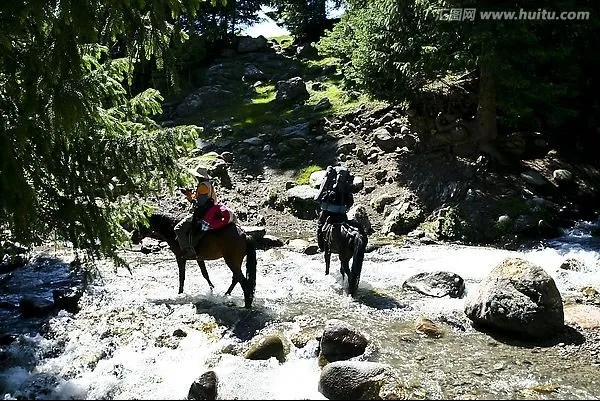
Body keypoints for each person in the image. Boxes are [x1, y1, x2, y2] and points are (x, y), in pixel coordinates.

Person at [174, 165, 217, 259]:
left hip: (202, 213)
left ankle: (189, 250)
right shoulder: (209, 185)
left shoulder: (202, 186)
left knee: (178, 228)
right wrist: (190, 195)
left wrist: (190, 197)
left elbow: (199, 203)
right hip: (210, 210)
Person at [314, 165, 354, 250]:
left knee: (320, 226)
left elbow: (318, 199)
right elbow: (350, 202)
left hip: (327, 214)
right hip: (342, 214)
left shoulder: (329, 187)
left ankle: (321, 247)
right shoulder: (346, 188)